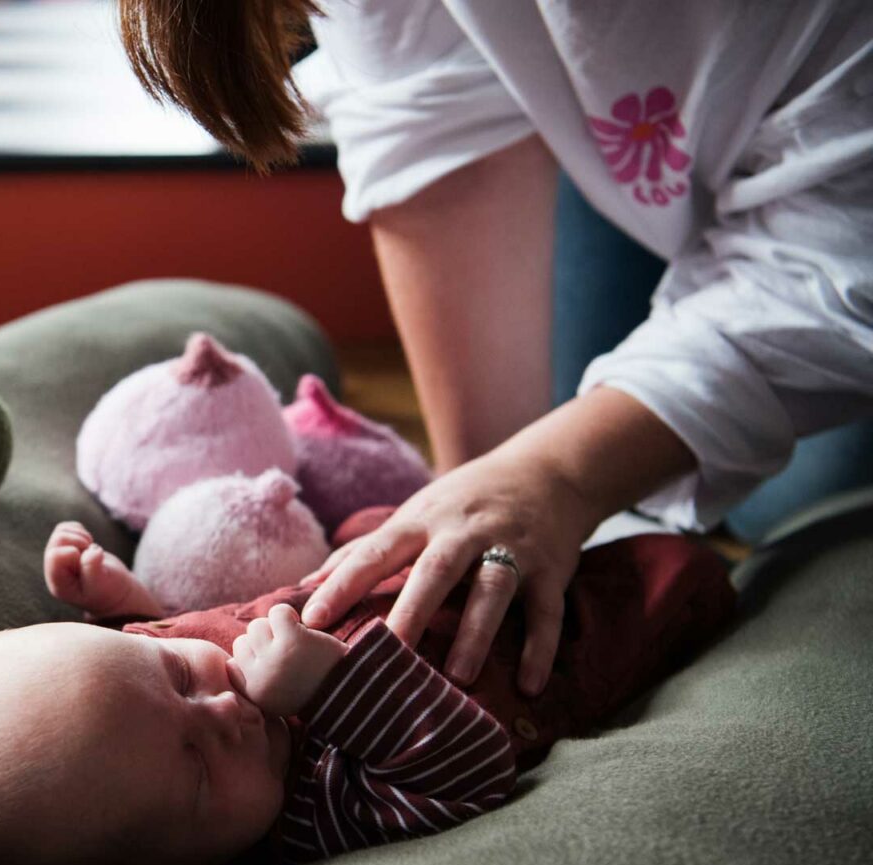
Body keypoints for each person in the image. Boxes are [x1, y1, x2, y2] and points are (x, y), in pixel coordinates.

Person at [118, 0, 873, 697]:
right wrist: (485, 500)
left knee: (787, 503)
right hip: (659, 126)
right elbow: (434, 126)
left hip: (840, 187)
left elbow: (845, 253)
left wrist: (557, 474)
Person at [0, 512, 733, 865]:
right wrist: (330, 686)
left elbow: (150, 660)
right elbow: (469, 770)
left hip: (399, 562)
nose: (224, 711)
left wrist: (121, 604)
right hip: (537, 641)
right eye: (196, 770)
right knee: (677, 574)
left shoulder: (134, 690)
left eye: (176, 674)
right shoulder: (310, 816)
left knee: (379, 522)